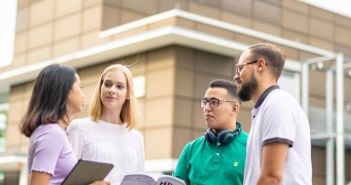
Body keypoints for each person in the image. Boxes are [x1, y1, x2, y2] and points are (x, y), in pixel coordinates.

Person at [233, 42, 312, 185]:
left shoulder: (277, 103)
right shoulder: (266, 107)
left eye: (240, 68)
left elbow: (272, 177)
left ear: (260, 65)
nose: (236, 76)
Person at [19, 64, 109, 185]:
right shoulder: (51, 133)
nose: (83, 94)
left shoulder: (54, 132)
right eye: (80, 87)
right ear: (65, 91)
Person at [67, 64, 144, 185]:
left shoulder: (136, 137)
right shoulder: (78, 128)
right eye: (107, 84)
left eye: (119, 86)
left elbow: (140, 180)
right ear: (100, 88)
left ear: (128, 94)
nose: (111, 90)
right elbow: (65, 179)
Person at [173, 79, 248, 185]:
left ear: (234, 109)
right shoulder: (191, 149)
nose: (207, 108)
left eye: (214, 102)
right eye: (205, 102)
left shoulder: (252, 147)